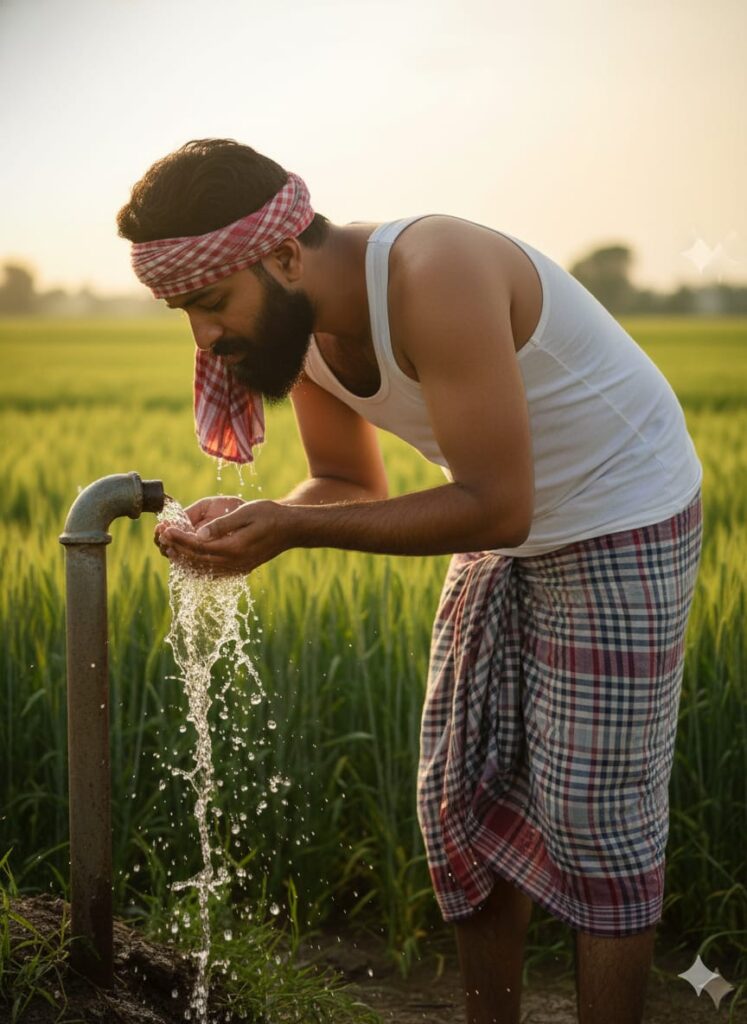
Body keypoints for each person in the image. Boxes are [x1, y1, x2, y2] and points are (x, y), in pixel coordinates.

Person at [117, 138, 704, 1024]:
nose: (202, 337)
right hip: (499, 518)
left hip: (618, 516)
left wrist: (291, 529)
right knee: (455, 801)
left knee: (594, 818)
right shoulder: (297, 331)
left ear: (281, 254)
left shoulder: (437, 272)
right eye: (183, 312)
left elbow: (495, 505)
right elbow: (349, 485)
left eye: (209, 302)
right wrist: (255, 516)